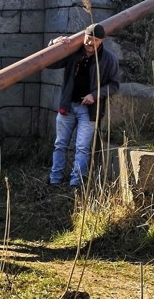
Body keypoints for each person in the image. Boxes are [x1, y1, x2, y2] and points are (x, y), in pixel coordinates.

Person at [47, 23, 121, 187]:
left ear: (101, 41)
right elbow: (48, 63)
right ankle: (55, 179)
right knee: (60, 145)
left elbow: (114, 85)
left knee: (82, 147)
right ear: (84, 37)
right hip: (67, 106)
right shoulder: (73, 53)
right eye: (88, 38)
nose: (90, 43)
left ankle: (77, 182)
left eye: (95, 40)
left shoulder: (108, 59)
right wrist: (54, 45)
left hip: (89, 111)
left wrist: (94, 95)